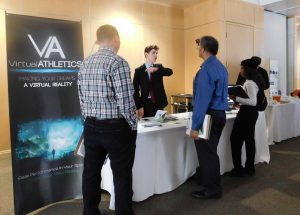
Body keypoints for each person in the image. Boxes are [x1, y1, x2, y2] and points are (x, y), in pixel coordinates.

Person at [78, 24, 137, 215]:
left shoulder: (85, 63)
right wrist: (133, 126)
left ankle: (90, 212)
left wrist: (89, 121)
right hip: (116, 129)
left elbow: (81, 99)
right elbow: (126, 101)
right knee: (121, 175)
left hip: (91, 126)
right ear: (115, 39)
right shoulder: (118, 62)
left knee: (91, 173)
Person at [190, 36, 228, 199]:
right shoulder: (221, 67)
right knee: (211, 152)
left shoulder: (205, 70)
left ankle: (212, 188)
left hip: (208, 115)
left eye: (199, 46)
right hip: (220, 114)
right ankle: (206, 179)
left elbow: (201, 101)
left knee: (207, 154)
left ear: (204, 50)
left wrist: (195, 126)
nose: (198, 48)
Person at [227, 59, 265, 177]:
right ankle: (249, 168)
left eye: (242, 68)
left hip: (246, 114)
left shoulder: (249, 83)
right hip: (251, 113)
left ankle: (238, 168)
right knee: (249, 140)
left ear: (247, 69)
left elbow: (252, 101)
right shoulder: (256, 81)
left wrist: (236, 98)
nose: (240, 70)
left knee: (235, 140)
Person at [133, 45, 173, 118]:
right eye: (153, 53)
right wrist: (139, 106)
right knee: (148, 127)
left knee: (160, 125)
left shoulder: (159, 67)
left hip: (159, 103)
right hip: (146, 104)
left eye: (156, 53)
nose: (155, 55)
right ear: (146, 54)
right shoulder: (139, 71)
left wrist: (156, 69)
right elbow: (135, 91)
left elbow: (170, 72)